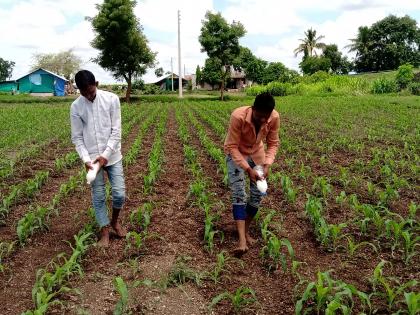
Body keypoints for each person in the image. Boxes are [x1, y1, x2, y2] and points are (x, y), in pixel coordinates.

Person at [70, 70, 127, 247]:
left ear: (97, 83)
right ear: (78, 90)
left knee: (119, 193)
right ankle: (105, 232)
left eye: (91, 91)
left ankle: (115, 222)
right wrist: (87, 160)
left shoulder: (111, 99)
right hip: (92, 160)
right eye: (84, 93)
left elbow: (116, 131)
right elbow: (77, 137)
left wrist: (106, 156)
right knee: (99, 196)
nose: (88, 96)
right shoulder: (76, 107)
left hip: (113, 156)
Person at [224, 92, 280, 255]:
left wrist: (268, 164)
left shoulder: (274, 117)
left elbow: (273, 143)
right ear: (253, 108)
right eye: (260, 116)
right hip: (237, 154)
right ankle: (241, 240)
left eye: (266, 117)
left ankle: (246, 230)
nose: (263, 120)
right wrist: (247, 169)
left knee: (258, 193)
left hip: (257, 154)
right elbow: (232, 146)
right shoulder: (238, 116)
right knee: (239, 193)